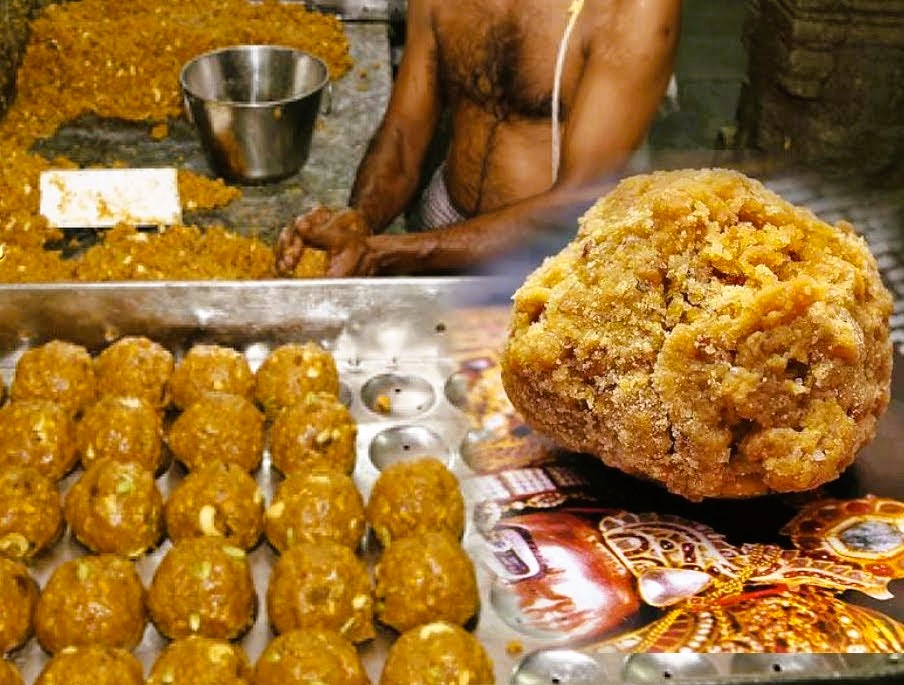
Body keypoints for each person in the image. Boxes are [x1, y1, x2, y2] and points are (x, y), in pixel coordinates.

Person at [276, 0, 682, 277]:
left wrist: (394, 252)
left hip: (559, 259)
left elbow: (578, 202)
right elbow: (403, 132)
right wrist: (358, 222)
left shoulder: (631, 9)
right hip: (443, 214)